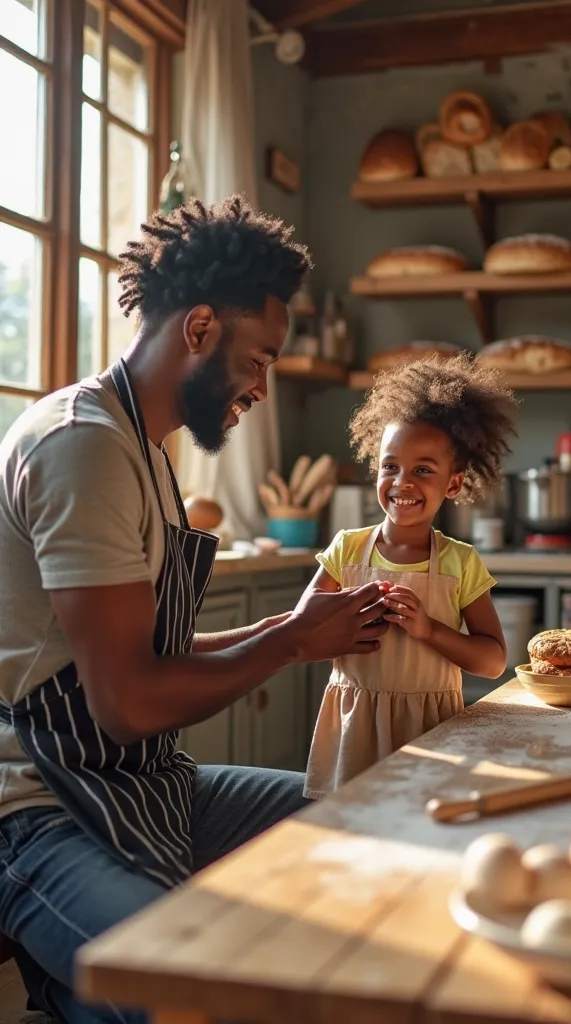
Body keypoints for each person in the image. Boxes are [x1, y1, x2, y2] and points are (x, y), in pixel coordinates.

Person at [0, 196, 388, 1023]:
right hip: (36, 809)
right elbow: (131, 702)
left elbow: (139, 653)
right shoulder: (83, 445)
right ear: (202, 328)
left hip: (137, 784)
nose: (260, 384)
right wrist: (286, 643)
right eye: (260, 359)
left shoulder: (142, 446)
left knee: (371, 822)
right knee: (186, 991)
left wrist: (295, 629)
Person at [304, 353, 516, 798]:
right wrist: (348, 620)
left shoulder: (461, 562)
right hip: (354, 728)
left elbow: (493, 661)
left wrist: (428, 629)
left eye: (423, 470)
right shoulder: (347, 549)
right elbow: (302, 627)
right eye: (390, 466)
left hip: (430, 730)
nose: (403, 482)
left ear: (453, 484)